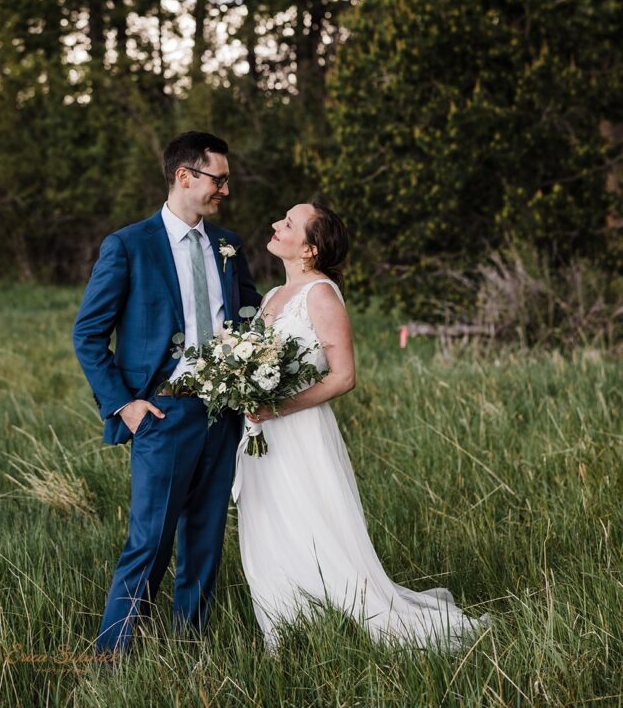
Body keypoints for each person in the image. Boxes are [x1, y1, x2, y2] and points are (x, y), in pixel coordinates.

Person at [233, 202, 488, 651]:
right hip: (262, 433)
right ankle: (286, 626)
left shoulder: (322, 295)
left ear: (310, 249)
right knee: (268, 525)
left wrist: (280, 407)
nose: (275, 224)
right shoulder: (272, 295)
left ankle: (351, 617)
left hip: (299, 431)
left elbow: (343, 376)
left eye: (288, 223)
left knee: (313, 526)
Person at [72, 131, 260, 658]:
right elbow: (88, 334)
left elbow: (247, 317)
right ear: (185, 176)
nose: (225, 188)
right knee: (149, 543)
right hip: (161, 411)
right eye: (218, 178)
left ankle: (189, 649)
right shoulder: (128, 245)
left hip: (222, 414)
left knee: (204, 540)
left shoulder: (228, 245)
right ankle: (114, 657)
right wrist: (125, 404)